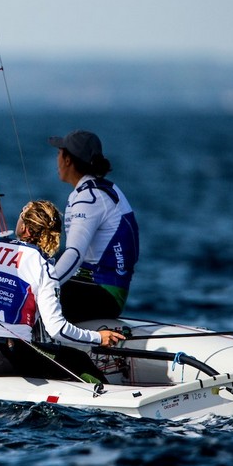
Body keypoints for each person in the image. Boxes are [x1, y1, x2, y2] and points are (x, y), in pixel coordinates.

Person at [0, 200, 125, 382]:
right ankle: (109, 399)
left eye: (21, 215)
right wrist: (98, 338)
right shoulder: (43, 267)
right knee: (78, 360)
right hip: (8, 359)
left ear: (25, 229)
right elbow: (57, 330)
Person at [48, 129, 139, 322]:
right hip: (93, 285)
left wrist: (42, 286)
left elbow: (74, 254)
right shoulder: (94, 190)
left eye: (59, 153)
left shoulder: (89, 199)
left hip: (104, 294)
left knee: (30, 297)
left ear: (67, 160)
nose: (56, 159)